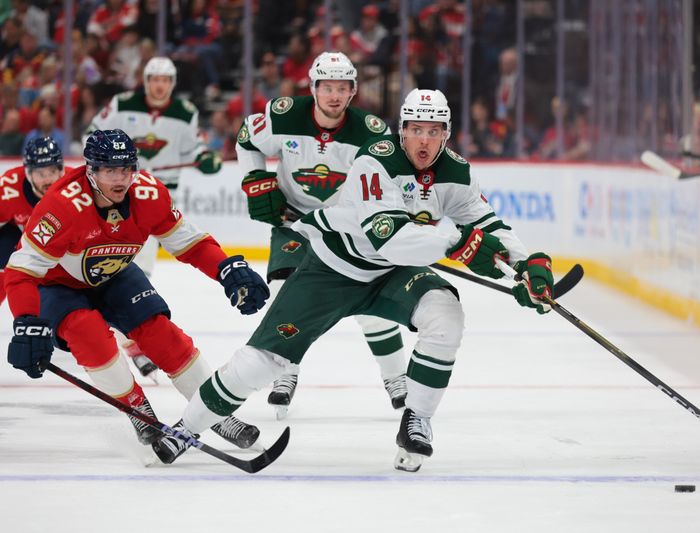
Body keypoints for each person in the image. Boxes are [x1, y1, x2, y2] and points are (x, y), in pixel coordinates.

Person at [152, 89, 554, 471]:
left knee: (446, 314)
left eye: (434, 132)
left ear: (446, 134)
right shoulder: (375, 162)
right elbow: (393, 239)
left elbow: (487, 223)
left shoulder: (457, 172)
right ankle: (185, 429)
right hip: (333, 268)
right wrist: (456, 241)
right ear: (403, 131)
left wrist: (528, 265)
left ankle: (416, 420)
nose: (424, 141)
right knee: (261, 364)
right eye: (416, 130)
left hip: (391, 274)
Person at [4, 129, 269, 461]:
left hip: (114, 273)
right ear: (90, 170)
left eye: (126, 169)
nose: (120, 179)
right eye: (109, 170)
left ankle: (213, 410)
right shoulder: (61, 207)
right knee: (89, 335)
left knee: (160, 333)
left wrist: (226, 269)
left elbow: (190, 243)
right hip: (58, 285)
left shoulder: (148, 193)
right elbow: (21, 271)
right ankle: (135, 408)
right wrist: (27, 319)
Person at [237, 51, 408, 419]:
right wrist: (256, 179)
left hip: (345, 226)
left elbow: (389, 181)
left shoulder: (372, 133)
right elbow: (247, 139)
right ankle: (286, 372)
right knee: (288, 294)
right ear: (313, 88)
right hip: (295, 219)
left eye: (342, 88)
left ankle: (396, 378)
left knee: (372, 306)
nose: (334, 95)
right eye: (327, 87)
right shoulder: (283, 115)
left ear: (353, 92)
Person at [87, 56, 222, 376]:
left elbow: (195, 149)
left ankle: (129, 335)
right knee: (111, 264)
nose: (159, 85)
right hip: (114, 196)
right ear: (145, 81)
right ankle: (125, 335)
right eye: (154, 79)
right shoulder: (122, 104)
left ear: (172, 84)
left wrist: (205, 159)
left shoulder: (184, 113)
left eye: (165, 80)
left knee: (138, 270)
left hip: (153, 201)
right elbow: (91, 135)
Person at [0, 137, 70, 306]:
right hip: (19, 236)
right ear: (29, 173)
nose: (47, 180)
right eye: (40, 173)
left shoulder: (75, 186)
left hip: (62, 244)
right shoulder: (9, 187)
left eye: (52, 171)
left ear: (61, 170)